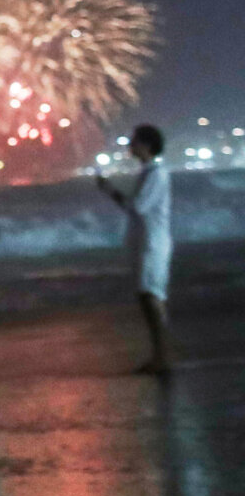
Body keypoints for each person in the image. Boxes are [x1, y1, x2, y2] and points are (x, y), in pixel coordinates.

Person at [97, 123, 173, 373]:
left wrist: (110, 191)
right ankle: (160, 355)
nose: (131, 145)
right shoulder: (150, 173)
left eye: (135, 141)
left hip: (151, 244)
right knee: (150, 297)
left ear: (147, 145)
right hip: (147, 242)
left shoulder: (155, 174)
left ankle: (162, 357)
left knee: (150, 297)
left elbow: (137, 207)